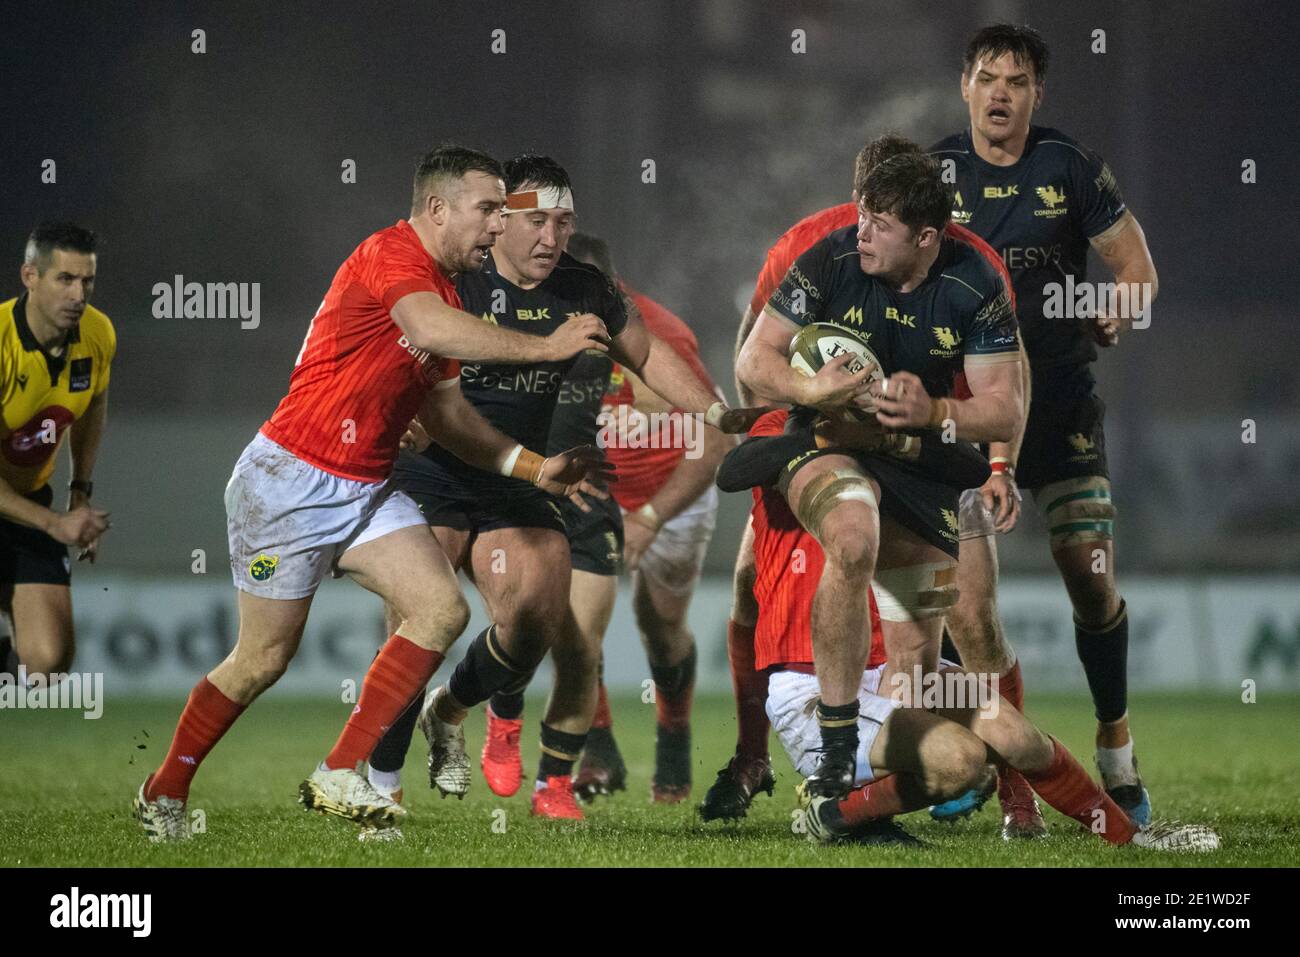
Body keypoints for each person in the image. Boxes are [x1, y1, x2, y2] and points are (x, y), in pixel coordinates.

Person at [133, 145, 609, 842]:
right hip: (286, 480)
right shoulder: (392, 255)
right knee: (263, 659)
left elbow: (449, 417)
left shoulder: (447, 294)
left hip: (363, 488)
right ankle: (163, 787)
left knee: (440, 609)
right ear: (438, 209)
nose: (495, 226)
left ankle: (339, 768)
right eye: (487, 211)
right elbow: (423, 329)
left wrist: (535, 470)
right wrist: (545, 347)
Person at [366, 158, 762, 821]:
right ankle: (379, 787)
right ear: (501, 219)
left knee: (536, 621)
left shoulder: (588, 289)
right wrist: (393, 409)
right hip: (432, 470)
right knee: (419, 624)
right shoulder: (457, 276)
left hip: (520, 478)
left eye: (564, 221)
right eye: (536, 220)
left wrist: (715, 413)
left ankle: (454, 709)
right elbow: (394, 343)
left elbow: (649, 355)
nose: (552, 236)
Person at [731, 150, 1024, 800]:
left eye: (878, 221)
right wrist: (811, 389)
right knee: (837, 546)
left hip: (931, 467)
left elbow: (1006, 403)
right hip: (835, 446)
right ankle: (822, 745)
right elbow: (753, 359)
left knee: (946, 637)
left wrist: (941, 414)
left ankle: (917, 786)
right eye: (860, 211)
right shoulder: (822, 251)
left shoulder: (976, 274)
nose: (860, 228)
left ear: (926, 236)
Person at [930, 23, 1160, 823]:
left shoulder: (1070, 166)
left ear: (1037, 95)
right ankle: (977, 760)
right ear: (965, 86)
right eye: (987, 77)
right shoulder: (935, 175)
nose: (1000, 92)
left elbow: (1138, 271)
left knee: (1089, 577)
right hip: (966, 406)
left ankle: (1116, 751)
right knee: (962, 603)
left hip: (1058, 397)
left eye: (1017, 81)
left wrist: (1114, 308)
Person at [562, 232, 730, 804]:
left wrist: (651, 517)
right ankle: (600, 750)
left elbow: (714, 441)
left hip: (669, 493)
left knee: (659, 626)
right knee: (574, 623)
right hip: (590, 491)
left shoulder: (661, 333)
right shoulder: (540, 325)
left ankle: (674, 738)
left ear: (609, 289)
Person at [0, 223, 114, 684]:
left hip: (27, 503)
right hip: (29, 510)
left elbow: (92, 406)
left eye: (86, 280)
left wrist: (79, 493)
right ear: (30, 276)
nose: (78, 294)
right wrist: (55, 524)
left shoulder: (97, 334)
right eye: (64, 279)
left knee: (47, 665)